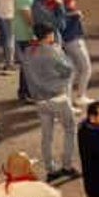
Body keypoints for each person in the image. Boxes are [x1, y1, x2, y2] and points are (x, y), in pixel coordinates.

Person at [19, 23, 78, 183]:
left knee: (47, 135)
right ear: (49, 35)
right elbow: (68, 70)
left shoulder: (28, 51)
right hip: (57, 96)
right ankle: (67, 165)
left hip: (39, 99)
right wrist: (60, 52)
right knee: (70, 129)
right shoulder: (52, 51)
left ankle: (50, 169)